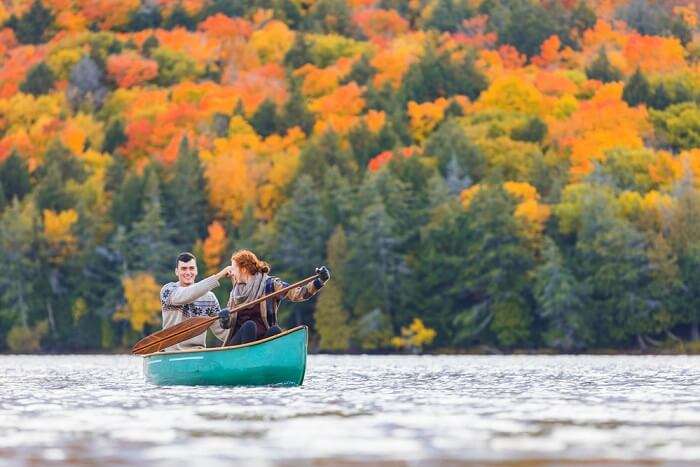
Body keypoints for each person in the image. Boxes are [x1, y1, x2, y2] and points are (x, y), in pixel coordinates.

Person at [219, 249, 330, 346]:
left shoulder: (270, 284)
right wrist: (224, 319)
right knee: (249, 326)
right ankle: (246, 363)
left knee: (275, 330)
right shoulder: (235, 292)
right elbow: (227, 325)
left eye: (233, 269)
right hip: (239, 344)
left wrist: (319, 281)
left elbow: (298, 294)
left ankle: (269, 362)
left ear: (243, 269)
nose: (231, 273)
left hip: (261, 341)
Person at [160, 252, 232, 351]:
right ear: (176, 271)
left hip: (198, 352)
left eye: (192, 268)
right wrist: (219, 275)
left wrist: (227, 323)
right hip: (171, 352)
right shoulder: (168, 290)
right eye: (184, 269)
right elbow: (188, 295)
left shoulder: (210, 298)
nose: (188, 272)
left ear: (196, 270)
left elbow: (221, 332)